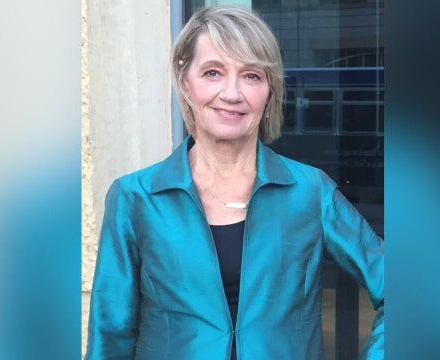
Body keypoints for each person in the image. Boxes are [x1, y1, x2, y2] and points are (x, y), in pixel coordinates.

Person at [86, 6, 384, 360]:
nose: (232, 93)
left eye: (252, 76)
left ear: (269, 91)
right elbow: (110, 336)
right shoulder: (135, 198)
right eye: (213, 72)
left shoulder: (310, 192)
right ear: (185, 81)